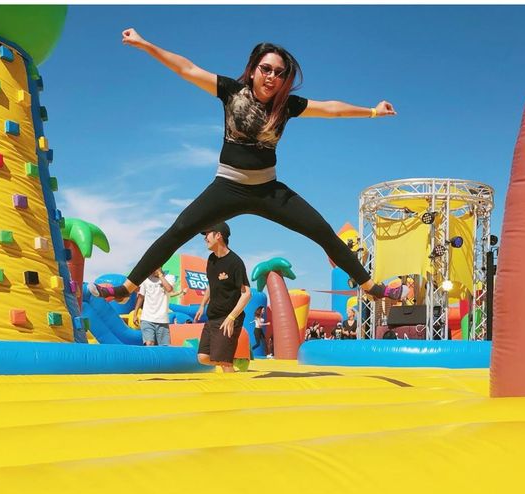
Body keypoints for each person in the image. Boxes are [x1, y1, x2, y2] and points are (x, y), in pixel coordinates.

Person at [87, 31, 402, 304]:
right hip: (227, 186)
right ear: (252, 71)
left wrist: (373, 111)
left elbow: (331, 109)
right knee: (180, 229)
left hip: (269, 190)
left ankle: (371, 287)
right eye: (266, 69)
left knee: (322, 231)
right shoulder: (231, 91)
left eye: (279, 73)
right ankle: (127, 288)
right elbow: (186, 68)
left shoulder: (286, 106)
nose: (271, 77)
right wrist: (145, 44)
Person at [193, 223, 251, 372]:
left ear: (218, 235)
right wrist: (202, 305)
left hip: (229, 317)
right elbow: (211, 284)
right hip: (213, 316)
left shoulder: (235, 262)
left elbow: (246, 294)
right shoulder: (211, 259)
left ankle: (230, 364)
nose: (205, 238)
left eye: (207, 234)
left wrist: (231, 318)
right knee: (203, 357)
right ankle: (233, 360)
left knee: (224, 362)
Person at [133, 267, 183, 346]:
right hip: (147, 318)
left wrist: (160, 275)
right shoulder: (146, 280)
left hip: (162, 319)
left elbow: (169, 289)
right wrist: (135, 314)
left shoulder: (169, 277)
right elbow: (141, 296)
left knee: (164, 347)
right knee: (149, 343)